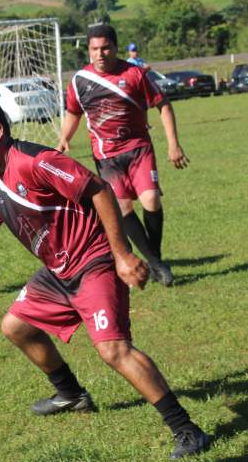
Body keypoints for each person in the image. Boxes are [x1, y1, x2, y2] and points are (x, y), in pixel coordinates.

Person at [0, 96, 210, 460]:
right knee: (16, 326)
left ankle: (187, 429)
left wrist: (122, 255)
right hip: (58, 272)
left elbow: (99, 190)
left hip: (93, 260)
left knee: (112, 349)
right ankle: (71, 393)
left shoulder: (37, 161)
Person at [58, 24, 187, 287]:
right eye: (95, 49)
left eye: (106, 48)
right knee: (124, 208)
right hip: (106, 156)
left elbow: (163, 105)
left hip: (139, 148)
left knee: (151, 200)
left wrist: (173, 144)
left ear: (116, 48)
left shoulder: (134, 74)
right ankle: (158, 264)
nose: (100, 54)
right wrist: (64, 139)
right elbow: (73, 112)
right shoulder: (79, 81)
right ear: (89, 51)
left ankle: (154, 257)